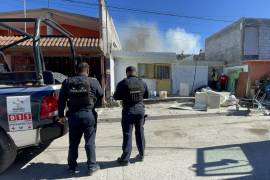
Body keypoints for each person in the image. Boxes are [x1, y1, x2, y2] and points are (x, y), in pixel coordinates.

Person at [58, 62, 103, 175]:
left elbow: (61, 100)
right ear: (87, 71)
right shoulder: (93, 81)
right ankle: (92, 166)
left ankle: (71, 167)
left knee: (73, 143)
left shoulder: (67, 82)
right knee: (90, 142)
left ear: (76, 70)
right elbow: (101, 94)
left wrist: (61, 115)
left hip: (73, 116)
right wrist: (95, 105)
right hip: (89, 115)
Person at [113, 66, 149, 166]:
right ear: (135, 72)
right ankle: (141, 155)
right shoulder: (142, 82)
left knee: (127, 135)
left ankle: (125, 159)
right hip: (140, 111)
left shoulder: (123, 83)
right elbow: (146, 95)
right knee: (140, 132)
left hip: (128, 111)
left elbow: (116, 97)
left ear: (127, 73)